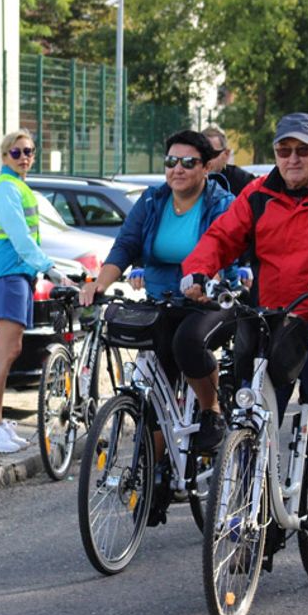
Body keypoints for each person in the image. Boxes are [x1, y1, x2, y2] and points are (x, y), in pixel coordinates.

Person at [180, 112, 308, 490]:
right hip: (269, 315)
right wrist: (198, 271)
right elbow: (221, 237)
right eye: (284, 150)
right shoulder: (257, 194)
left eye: (303, 150)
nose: (293, 158)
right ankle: (247, 484)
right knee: (250, 401)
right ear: (276, 153)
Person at [80, 129, 236, 455]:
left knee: (188, 343)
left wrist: (209, 281)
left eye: (188, 162)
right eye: (171, 161)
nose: (177, 169)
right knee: (153, 385)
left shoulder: (222, 204)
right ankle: (155, 478)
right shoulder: (153, 200)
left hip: (210, 303)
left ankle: (211, 411)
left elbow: (226, 250)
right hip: (162, 301)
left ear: (206, 168)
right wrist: (100, 284)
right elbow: (125, 245)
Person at [0, 129, 65, 453]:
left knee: (10, 349)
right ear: (4, 156)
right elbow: (19, 236)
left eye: (28, 151)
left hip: (16, 275)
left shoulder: (16, 185)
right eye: (16, 152)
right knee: (4, 352)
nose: (24, 157)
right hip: (7, 273)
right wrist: (48, 267)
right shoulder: (5, 188)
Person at [202, 125, 256, 197]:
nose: (206, 159)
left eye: (211, 153)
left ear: (226, 154)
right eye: (201, 153)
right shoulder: (189, 178)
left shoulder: (242, 181)